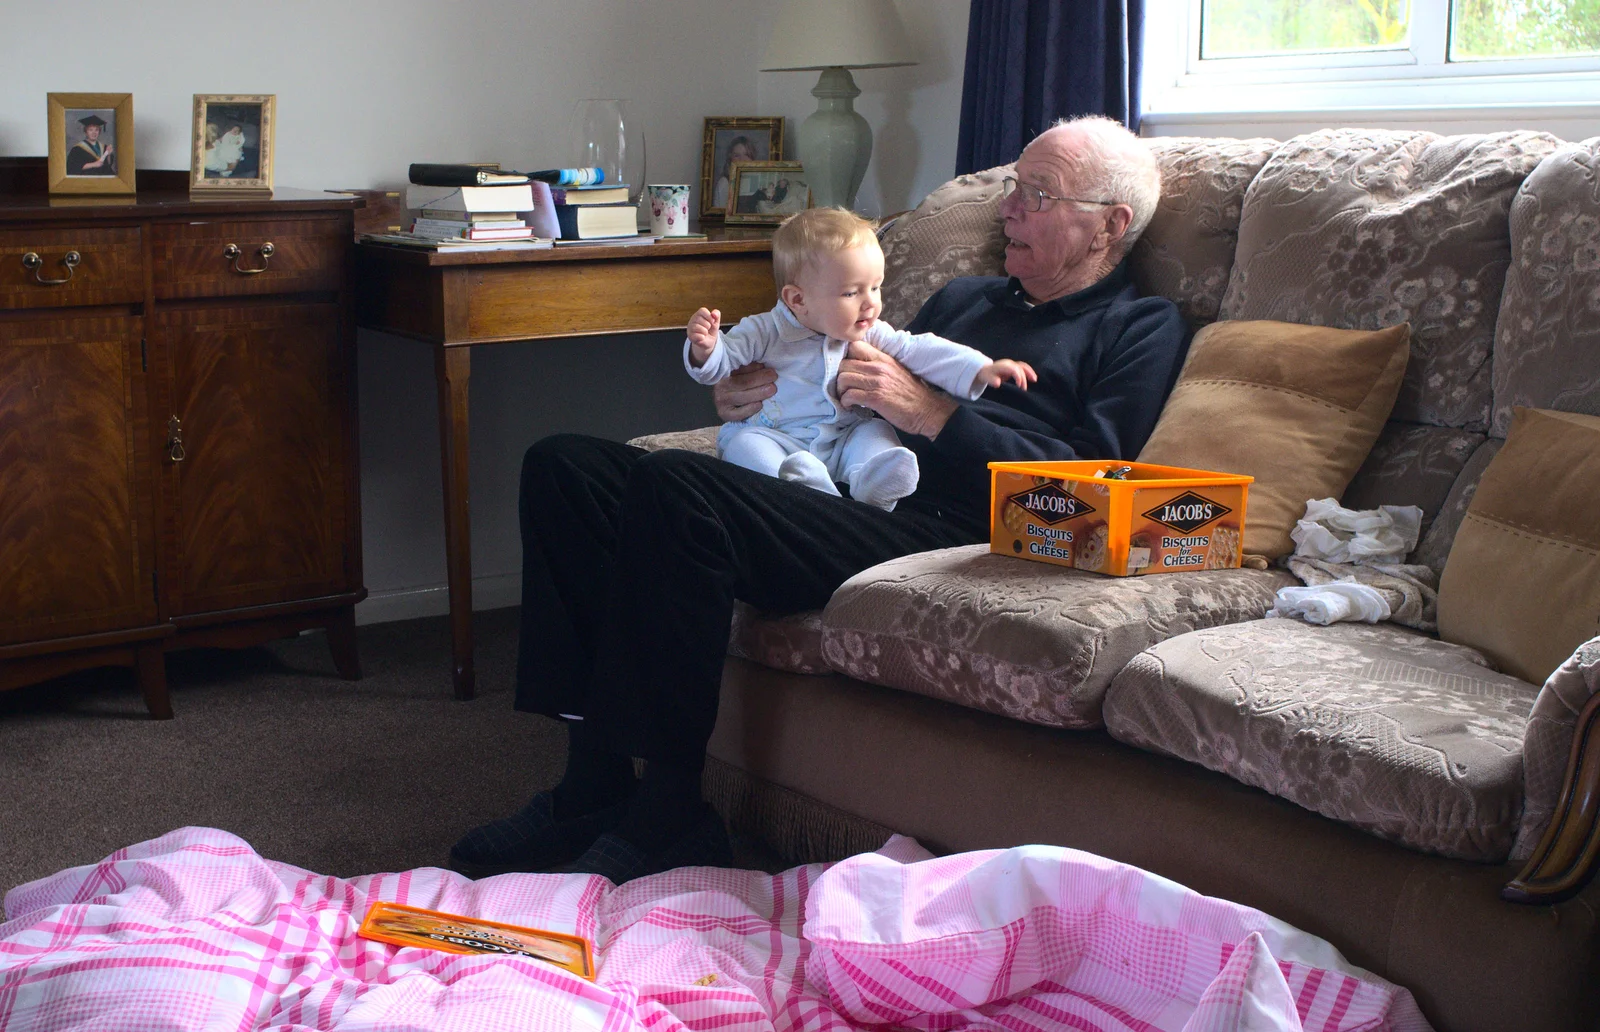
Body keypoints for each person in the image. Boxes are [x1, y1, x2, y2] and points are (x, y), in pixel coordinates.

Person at [450, 114, 1188, 884]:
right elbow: (831, 370)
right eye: (1013, 190)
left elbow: (1092, 483)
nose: (1008, 209)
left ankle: (669, 811)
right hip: (838, 483)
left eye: (1036, 195)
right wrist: (750, 400)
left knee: (678, 485)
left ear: (1110, 226)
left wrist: (933, 414)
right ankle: (590, 787)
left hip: (949, 529)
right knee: (566, 465)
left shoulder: (1140, 326)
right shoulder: (964, 300)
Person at [684, 207, 1035, 511]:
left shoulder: (868, 330)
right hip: (778, 436)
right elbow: (723, 364)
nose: (870, 303)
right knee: (745, 445)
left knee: (874, 430)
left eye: (876, 286)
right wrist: (706, 349)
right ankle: (798, 487)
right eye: (851, 292)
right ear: (797, 300)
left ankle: (874, 481)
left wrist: (979, 368)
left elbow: (919, 349)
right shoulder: (765, 331)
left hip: (841, 438)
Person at [712, 135, 757, 210]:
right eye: (737, 155)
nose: (742, 160)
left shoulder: (756, 180)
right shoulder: (725, 182)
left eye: (746, 155)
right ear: (730, 159)